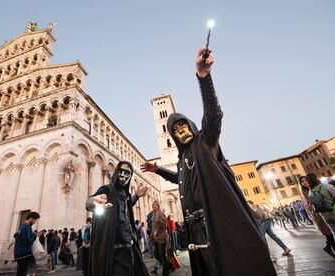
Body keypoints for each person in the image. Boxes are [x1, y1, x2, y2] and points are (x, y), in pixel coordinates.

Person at [141, 48, 276, 276]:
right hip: (195, 231)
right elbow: (179, 178)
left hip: (214, 224)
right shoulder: (183, 158)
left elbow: (213, 116)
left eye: (183, 125)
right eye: (174, 130)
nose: (179, 130)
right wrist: (158, 170)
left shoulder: (205, 142)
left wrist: (204, 79)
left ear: (192, 126)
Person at [85, 161, 150, 276]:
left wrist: (136, 196)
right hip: (115, 252)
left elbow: (126, 206)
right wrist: (93, 202)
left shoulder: (125, 195)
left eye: (127, 173)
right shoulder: (106, 190)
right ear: (116, 172)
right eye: (121, 171)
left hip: (130, 249)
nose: (123, 175)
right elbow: (90, 201)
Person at [299, 176, 335, 260]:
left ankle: (328, 246)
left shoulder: (316, 187)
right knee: (328, 232)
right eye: (302, 181)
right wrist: (311, 205)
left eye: (305, 180)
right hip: (318, 214)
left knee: (333, 231)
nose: (304, 182)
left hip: (328, 210)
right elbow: (306, 205)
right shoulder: (304, 192)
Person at [14, 211, 40, 276]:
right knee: (22, 273)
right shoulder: (25, 227)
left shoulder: (23, 227)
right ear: (31, 218)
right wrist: (34, 235)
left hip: (21, 253)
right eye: (35, 220)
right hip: (24, 254)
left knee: (21, 272)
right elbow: (27, 241)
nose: (35, 222)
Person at [151, 201, 170, 276]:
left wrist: (160, 222)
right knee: (156, 254)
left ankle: (165, 273)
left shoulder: (161, 214)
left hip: (162, 237)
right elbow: (153, 227)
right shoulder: (154, 214)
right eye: (153, 205)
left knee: (162, 255)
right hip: (156, 238)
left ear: (158, 206)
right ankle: (169, 265)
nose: (154, 206)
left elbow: (165, 224)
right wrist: (152, 235)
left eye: (155, 205)